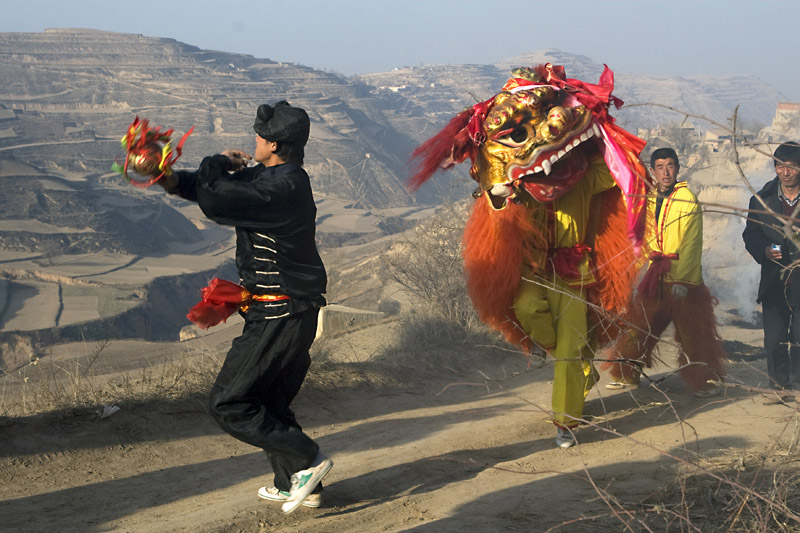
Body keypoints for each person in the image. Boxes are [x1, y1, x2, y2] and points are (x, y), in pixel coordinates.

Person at [153, 101, 332, 513]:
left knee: (229, 403)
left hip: (280, 314)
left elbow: (216, 199)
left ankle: (308, 458)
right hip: (286, 312)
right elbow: (206, 188)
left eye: (258, 136)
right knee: (268, 401)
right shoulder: (273, 177)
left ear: (272, 143)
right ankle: (298, 485)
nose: (252, 140)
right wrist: (164, 178)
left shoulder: (281, 189)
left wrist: (216, 161)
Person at [602, 147, 726, 396]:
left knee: (692, 332)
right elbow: (643, 237)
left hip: (682, 277)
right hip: (656, 273)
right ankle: (627, 375)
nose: (665, 172)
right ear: (653, 171)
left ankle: (704, 381)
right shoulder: (649, 199)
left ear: (678, 169)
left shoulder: (687, 198)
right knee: (641, 326)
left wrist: (684, 281)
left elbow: (692, 243)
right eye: (660, 167)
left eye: (670, 166)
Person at [743, 141, 800, 401]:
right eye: (780, 166)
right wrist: (764, 249)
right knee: (775, 337)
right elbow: (750, 234)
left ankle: (798, 386)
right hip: (774, 278)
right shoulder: (762, 200)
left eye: (792, 166)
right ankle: (778, 387)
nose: (785, 172)